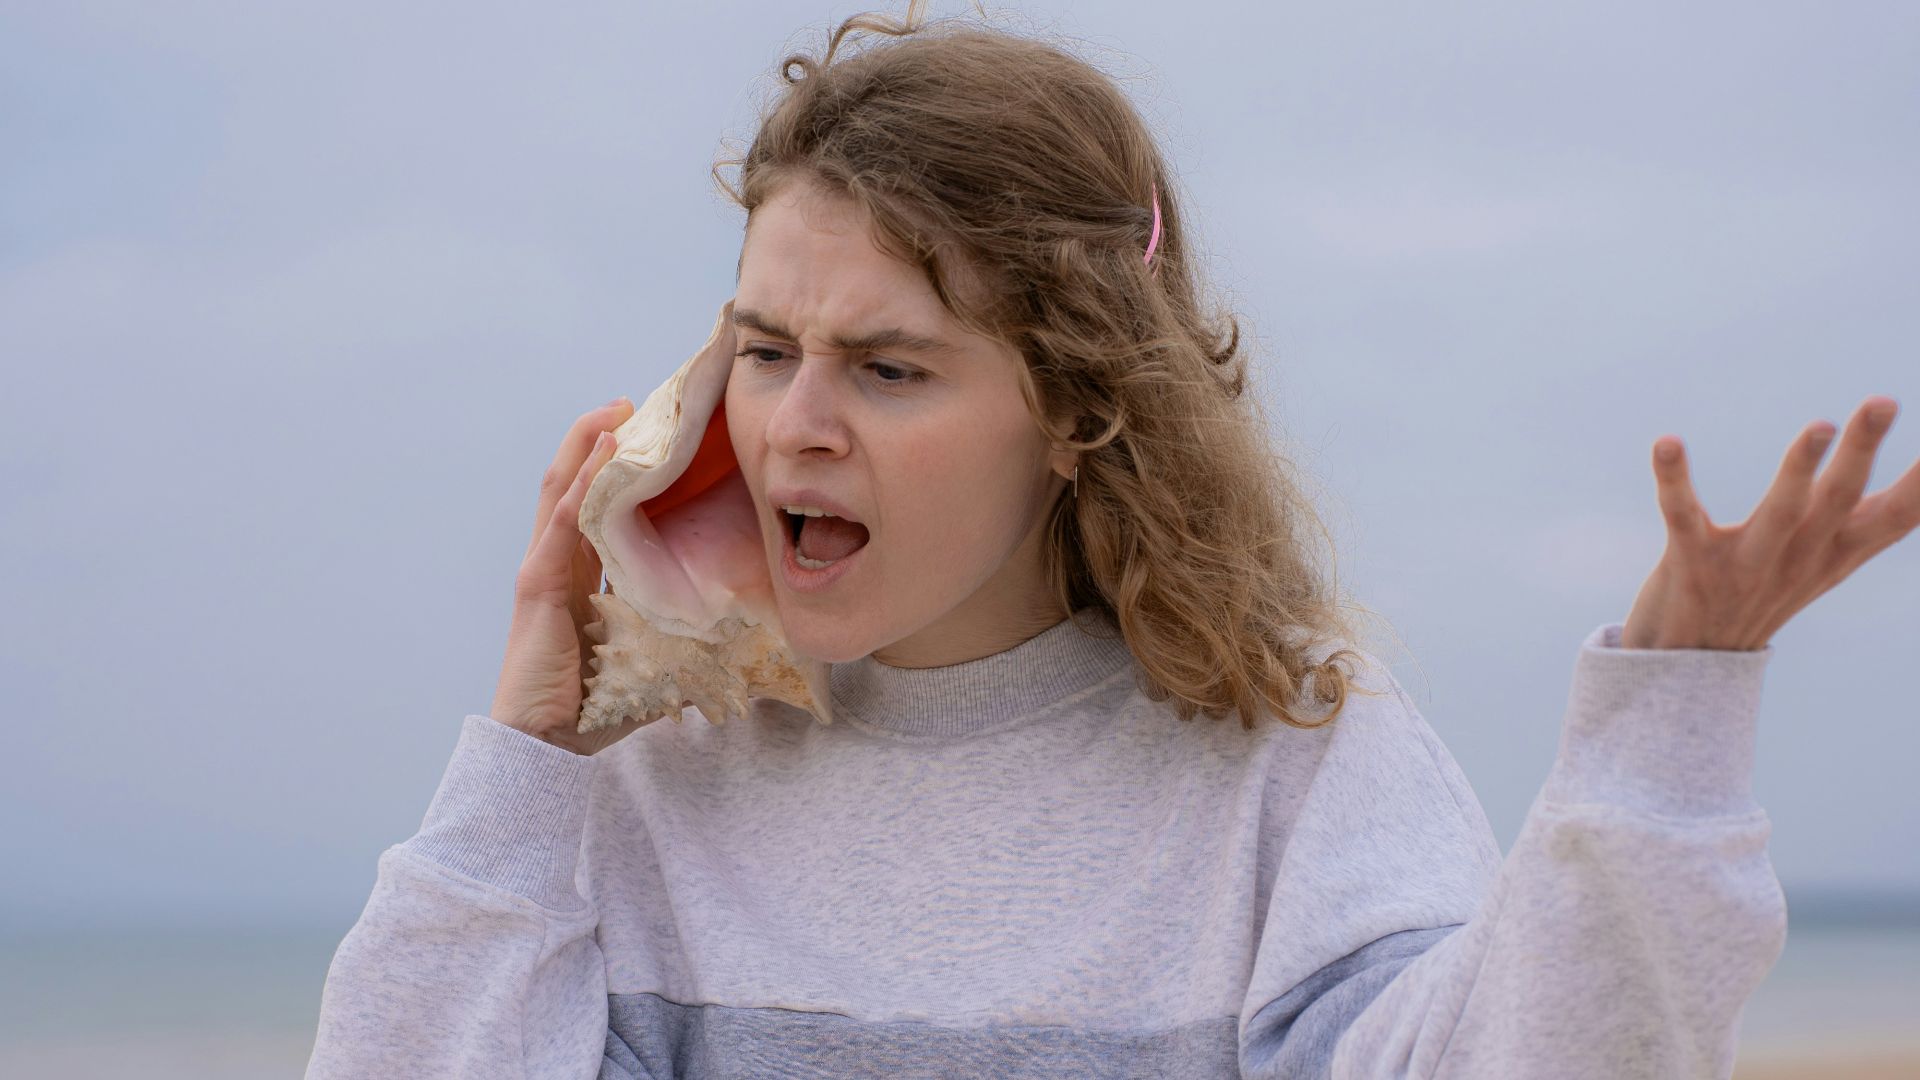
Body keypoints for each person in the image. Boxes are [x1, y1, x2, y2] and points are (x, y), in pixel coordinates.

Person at [304, 6, 1917, 1079]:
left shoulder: (1289, 755)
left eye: (888, 366)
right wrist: (520, 769)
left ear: (1079, 409)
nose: (794, 420)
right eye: (765, 345)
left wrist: (1666, 726)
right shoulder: (654, 784)